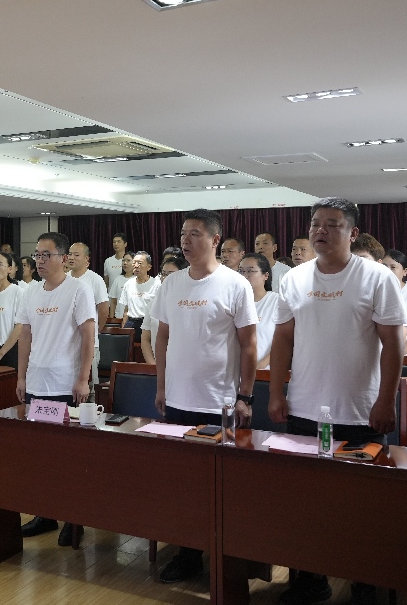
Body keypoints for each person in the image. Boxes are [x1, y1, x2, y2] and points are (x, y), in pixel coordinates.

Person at [270, 198, 404, 605]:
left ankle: (365, 584)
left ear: (352, 233)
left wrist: (385, 400)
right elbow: (283, 338)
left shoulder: (376, 277)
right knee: (306, 505)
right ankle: (310, 582)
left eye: (332, 224)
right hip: (304, 409)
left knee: (362, 508)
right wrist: (276, 392)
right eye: (315, 223)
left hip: (359, 411)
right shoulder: (295, 278)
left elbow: (393, 344)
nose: (320, 231)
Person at [151, 209, 258, 583]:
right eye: (183, 233)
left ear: (215, 240)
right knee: (183, 484)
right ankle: (188, 555)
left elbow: (249, 345)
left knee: (219, 486)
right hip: (178, 400)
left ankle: (227, 558)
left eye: (194, 233)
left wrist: (245, 396)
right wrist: (161, 387)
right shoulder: (172, 284)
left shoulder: (235, 284)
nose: (186, 240)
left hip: (219, 404)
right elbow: (162, 337)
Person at [16, 232, 96, 547]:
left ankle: (74, 519)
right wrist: (21, 377)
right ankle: (45, 514)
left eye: (46, 255)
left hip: (65, 385)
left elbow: (88, 334)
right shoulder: (31, 291)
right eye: (37, 254)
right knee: (41, 455)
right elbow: (25, 335)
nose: (39, 260)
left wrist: (83, 379)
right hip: (37, 384)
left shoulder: (78, 290)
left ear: (63, 258)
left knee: (68, 456)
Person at [68, 242, 110, 387]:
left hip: (88, 342)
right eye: (70, 254)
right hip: (67, 343)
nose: (71, 257)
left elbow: (104, 310)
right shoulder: (63, 279)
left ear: (87, 259)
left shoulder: (95, 279)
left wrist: (94, 331)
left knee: (88, 385)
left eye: (76, 255)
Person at [140, 256, 189, 364]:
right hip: (157, 365)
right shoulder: (153, 304)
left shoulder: (190, 305)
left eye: (170, 274)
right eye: (163, 274)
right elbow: (145, 339)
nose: (164, 278)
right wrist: (153, 365)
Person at [238, 253, 278, 369]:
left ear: (265, 275)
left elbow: (284, 341)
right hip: (235, 372)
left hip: (265, 372)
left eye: (250, 271)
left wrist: (260, 367)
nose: (244, 276)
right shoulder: (233, 303)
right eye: (241, 271)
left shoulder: (276, 302)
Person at [119, 251, 158, 341]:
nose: (136, 266)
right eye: (134, 262)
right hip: (131, 323)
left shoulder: (156, 284)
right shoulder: (128, 284)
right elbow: (126, 310)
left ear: (149, 267)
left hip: (148, 323)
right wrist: (124, 326)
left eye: (140, 263)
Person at [108, 253, 133, 318]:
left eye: (128, 260)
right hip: (119, 317)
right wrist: (111, 319)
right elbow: (113, 302)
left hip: (133, 319)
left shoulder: (137, 279)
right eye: (123, 260)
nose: (125, 263)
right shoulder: (118, 279)